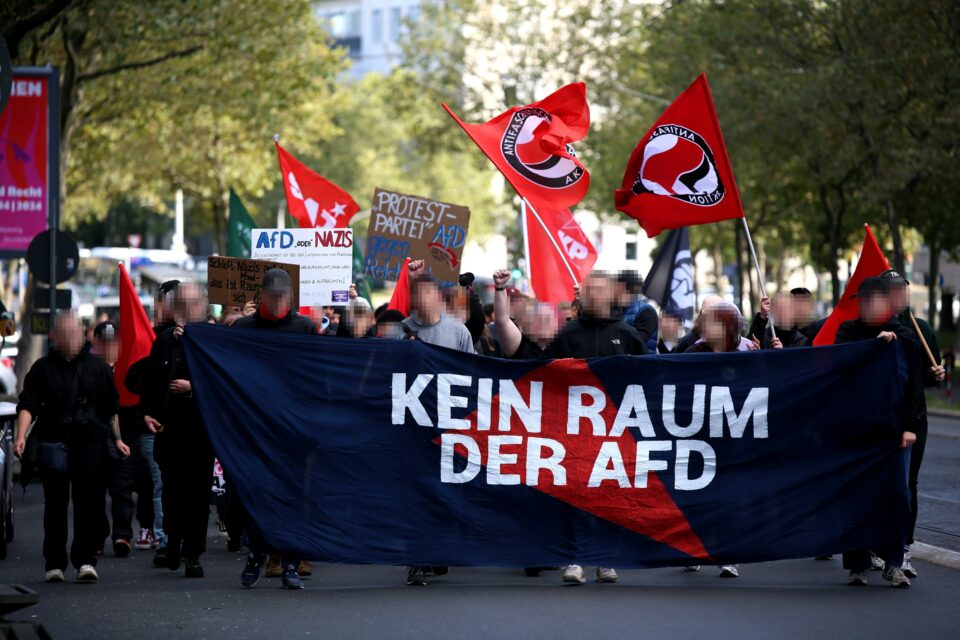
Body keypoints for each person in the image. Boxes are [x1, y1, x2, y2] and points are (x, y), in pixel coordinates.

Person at [539, 272, 647, 586]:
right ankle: (575, 559)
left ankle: (605, 559)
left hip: (615, 430)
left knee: (609, 495)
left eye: (600, 290)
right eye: (590, 290)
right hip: (575, 430)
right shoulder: (568, 333)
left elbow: (652, 373)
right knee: (575, 494)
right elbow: (543, 374)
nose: (595, 295)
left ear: (611, 294)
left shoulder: (626, 334)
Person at [14, 312, 121, 583]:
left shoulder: (97, 368)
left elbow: (111, 408)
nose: (70, 339)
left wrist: (117, 439)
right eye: (64, 334)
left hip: (89, 446)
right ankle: (54, 563)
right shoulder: (42, 368)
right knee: (55, 505)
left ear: (81, 333)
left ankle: (85, 560)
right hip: (54, 444)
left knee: (88, 503)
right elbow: (28, 404)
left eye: (73, 333)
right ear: (56, 336)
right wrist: (21, 436)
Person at [835, 276, 921, 588]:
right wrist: (872, 347)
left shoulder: (904, 337)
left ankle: (893, 562)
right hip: (856, 430)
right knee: (856, 496)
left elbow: (914, 386)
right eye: (865, 302)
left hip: (892, 431)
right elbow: (840, 364)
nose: (869, 307)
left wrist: (910, 426)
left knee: (895, 496)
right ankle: (857, 564)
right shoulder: (849, 332)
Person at [234, 269, 315, 590]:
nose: (280, 303)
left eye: (285, 298)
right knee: (257, 494)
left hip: (293, 426)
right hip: (256, 427)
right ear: (262, 296)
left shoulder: (303, 327)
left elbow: (318, 371)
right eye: (275, 297)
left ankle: (291, 563)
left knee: (293, 494)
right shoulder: (243, 328)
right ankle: (258, 551)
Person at [403, 263, 475, 587]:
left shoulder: (458, 331)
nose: (423, 300)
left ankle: (441, 548)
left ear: (437, 296)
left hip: (449, 424)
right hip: (412, 426)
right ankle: (417, 558)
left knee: (444, 489)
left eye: (428, 293)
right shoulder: (400, 329)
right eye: (417, 294)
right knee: (415, 490)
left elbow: (474, 375)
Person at [138, 282, 214, 578]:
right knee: (171, 491)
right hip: (170, 429)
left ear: (203, 305)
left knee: (198, 494)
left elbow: (222, 382)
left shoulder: (213, 339)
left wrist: (193, 386)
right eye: (183, 303)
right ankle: (172, 541)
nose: (188, 309)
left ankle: (194, 554)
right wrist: (148, 413)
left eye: (194, 303)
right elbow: (152, 381)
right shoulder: (165, 340)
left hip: (201, 429)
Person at [879, 268, 946, 578]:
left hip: (913, 419)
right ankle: (875, 546)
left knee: (909, 483)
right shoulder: (871, 328)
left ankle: (904, 548)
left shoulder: (920, 329)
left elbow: (930, 377)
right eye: (892, 290)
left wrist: (938, 375)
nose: (899, 296)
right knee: (878, 482)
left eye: (901, 290)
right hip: (879, 419)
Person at [91, 321, 150, 558]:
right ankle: (96, 536)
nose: (109, 346)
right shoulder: (88, 369)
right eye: (104, 341)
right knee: (94, 490)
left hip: (127, 435)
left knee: (122, 487)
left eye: (113, 340)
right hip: (95, 437)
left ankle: (122, 535)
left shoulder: (129, 367)